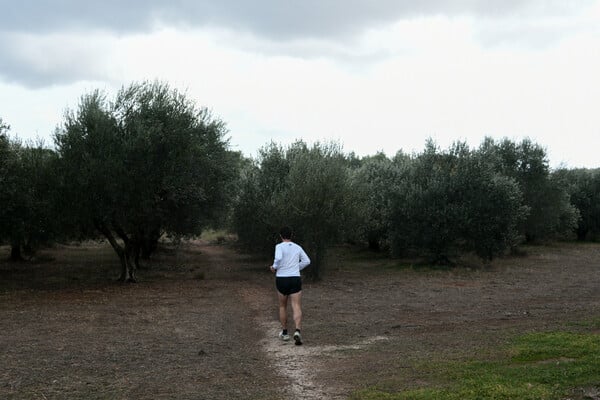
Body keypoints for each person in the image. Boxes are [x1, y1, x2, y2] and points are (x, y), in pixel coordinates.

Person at [269, 226, 311, 345]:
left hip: (282, 278)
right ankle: (297, 330)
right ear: (291, 235)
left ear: (281, 236)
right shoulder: (298, 247)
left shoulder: (279, 246)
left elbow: (278, 257)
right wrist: (296, 268)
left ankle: (285, 333)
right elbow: (307, 261)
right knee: (296, 305)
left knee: (282, 306)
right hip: (295, 278)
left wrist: (274, 267)